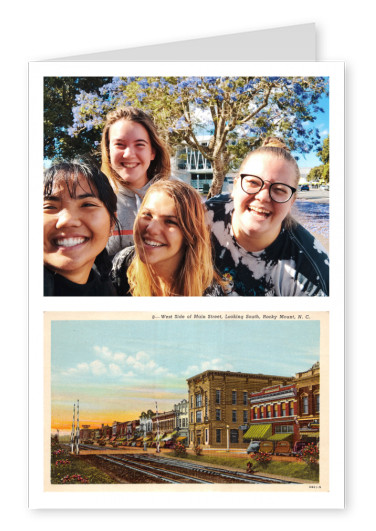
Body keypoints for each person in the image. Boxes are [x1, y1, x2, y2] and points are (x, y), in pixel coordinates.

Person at [206, 138, 329, 296]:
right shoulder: (204, 216)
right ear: (235, 186)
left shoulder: (311, 275)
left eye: (279, 189)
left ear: (292, 201)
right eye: (253, 182)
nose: (263, 197)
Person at [111, 180, 225, 296]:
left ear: (190, 234)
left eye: (170, 221)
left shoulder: (209, 293)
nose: (152, 229)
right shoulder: (122, 264)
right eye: (147, 215)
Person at [101, 106, 171, 257]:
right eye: (119, 144)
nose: (129, 154)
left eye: (139, 144)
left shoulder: (176, 196)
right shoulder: (95, 199)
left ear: (152, 152)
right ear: (108, 151)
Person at [43, 158, 118, 296]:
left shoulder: (107, 292)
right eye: (49, 207)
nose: (67, 221)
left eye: (87, 205)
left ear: (112, 224)